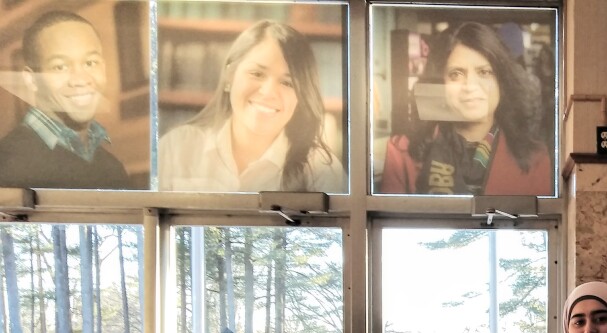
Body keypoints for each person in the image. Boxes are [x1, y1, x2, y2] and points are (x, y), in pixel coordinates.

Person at [159, 20, 347, 193]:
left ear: (301, 97)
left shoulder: (322, 171)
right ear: (229, 77)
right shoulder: (176, 148)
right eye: (257, 73)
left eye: (288, 83)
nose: (268, 92)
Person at [380, 21, 552, 196]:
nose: (470, 86)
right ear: (440, 82)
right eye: (456, 74)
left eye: (484, 72)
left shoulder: (534, 158)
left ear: (502, 81)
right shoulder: (401, 153)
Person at [0, 10, 132, 189]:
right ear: (31, 80)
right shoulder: (7, 164)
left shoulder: (112, 168)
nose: (81, 79)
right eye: (60, 67)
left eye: (90, 63)